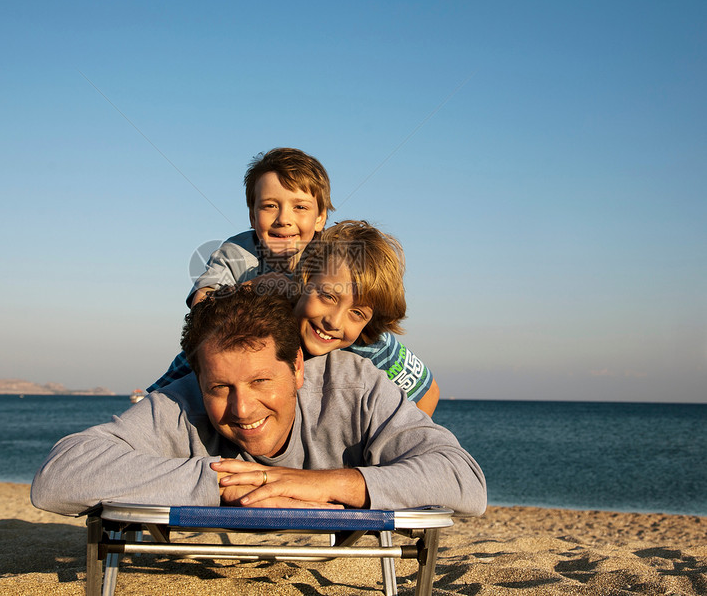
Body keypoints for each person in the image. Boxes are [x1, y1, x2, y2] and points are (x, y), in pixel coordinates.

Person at [31, 286, 486, 516]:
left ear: (297, 369)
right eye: (220, 388)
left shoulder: (354, 385)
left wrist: (320, 484)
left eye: (261, 381)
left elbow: (463, 480)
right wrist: (231, 484)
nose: (242, 409)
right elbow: (59, 478)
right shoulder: (183, 399)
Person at [152, 220, 441, 415]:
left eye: (357, 313)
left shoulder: (372, 343)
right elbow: (166, 388)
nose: (334, 322)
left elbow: (428, 394)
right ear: (301, 282)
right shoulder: (263, 324)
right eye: (327, 296)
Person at [188, 147, 331, 307]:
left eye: (300, 207)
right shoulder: (236, 252)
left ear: (320, 218)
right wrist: (253, 287)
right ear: (253, 217)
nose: (283, 219)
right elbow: (200, 305)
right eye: (270, 206)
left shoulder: (331, 256)